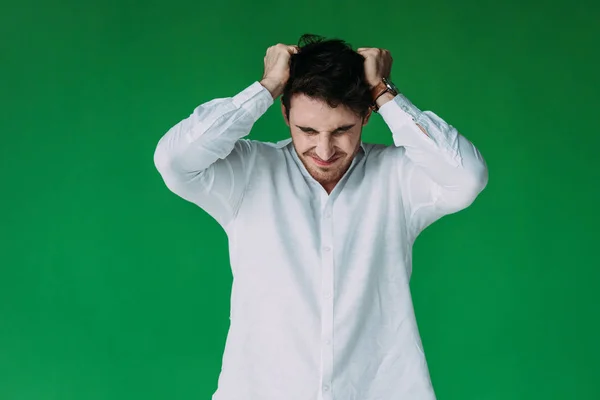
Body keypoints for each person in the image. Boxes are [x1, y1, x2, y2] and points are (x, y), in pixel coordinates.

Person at [153, 34, 488, 400]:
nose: (325, 150)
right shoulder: (247, 173)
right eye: (308, 130)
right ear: (285, 113)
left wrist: (382, 90)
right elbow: (174, 160)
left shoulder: (398, 177)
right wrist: (267, 87)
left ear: (366, 115)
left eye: (342, 130)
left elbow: (467, 176)